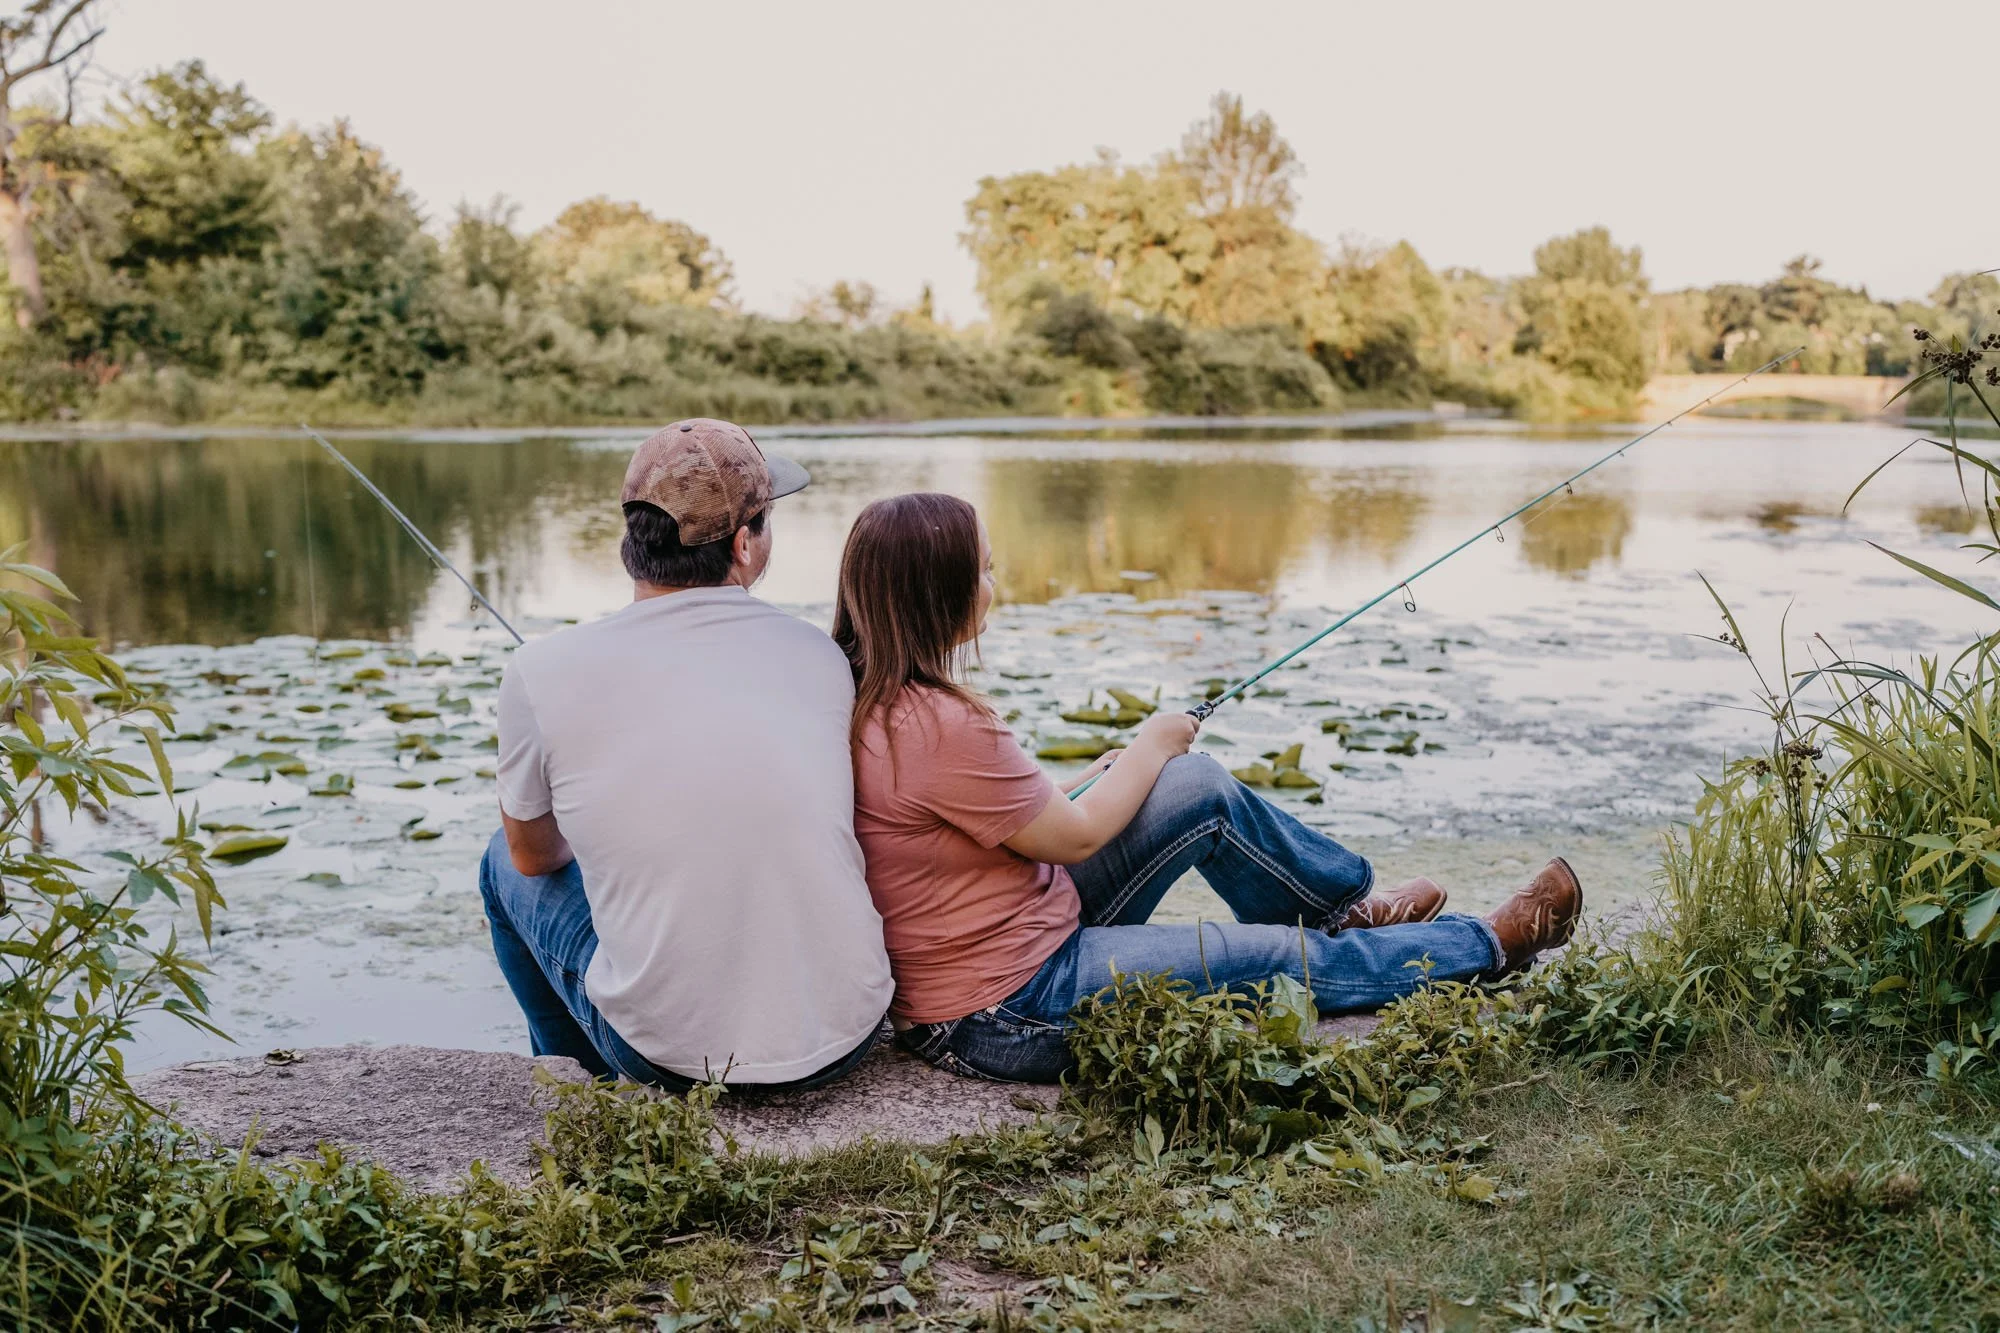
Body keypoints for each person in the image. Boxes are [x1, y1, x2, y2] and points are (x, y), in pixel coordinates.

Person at [833, 491, 1583, 1083]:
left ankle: (1341, 909)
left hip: (1026, 920)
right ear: (940, 595)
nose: (995, 584)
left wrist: (1121, 769)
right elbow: (1081, 835)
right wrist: (1149, 740)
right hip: (1007, 1006)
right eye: (986, 569)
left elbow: (984, 821)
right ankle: (1486, 944)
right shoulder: (937, 724)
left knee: (1194, 785)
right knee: (1268, 957)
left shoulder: (878, 696)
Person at [479, 419, 893, 1091]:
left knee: (500, 860)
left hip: (669, 1061)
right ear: (743, 547)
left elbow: (533, 858)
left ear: (631, 543)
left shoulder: (538, 669)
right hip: (846, 1033)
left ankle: (578, 1083)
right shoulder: (816, 653)